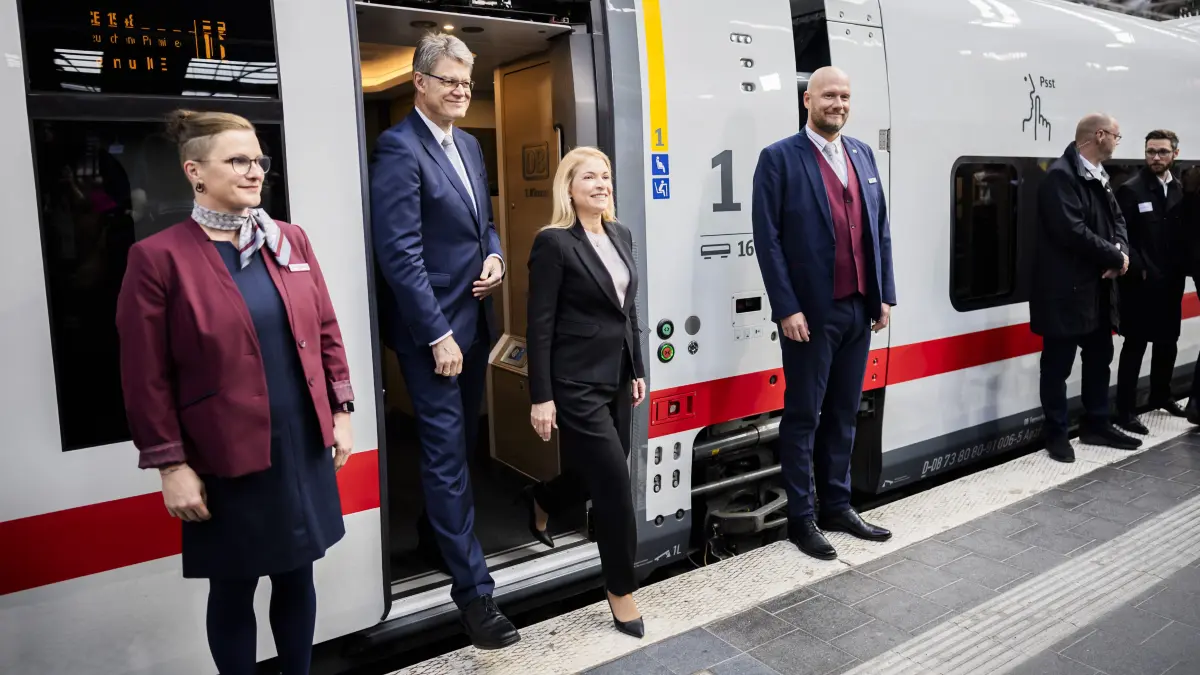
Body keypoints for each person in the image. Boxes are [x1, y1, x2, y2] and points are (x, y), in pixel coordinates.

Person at [115, 110, 356, 675]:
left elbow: (325, 329)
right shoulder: (158, 259)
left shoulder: (288, 240)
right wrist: (170, 465)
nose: (254, 172)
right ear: (194, 171)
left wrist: (341, 411)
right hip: (225, 456)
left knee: (298, 574)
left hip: (299, 443)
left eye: (258, 161)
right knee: (233, 586)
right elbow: (144, 377)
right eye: (238, 161)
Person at [368, 33, 516, 649]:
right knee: (447, 455)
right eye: (449, 80)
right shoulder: (397, 149)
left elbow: (483, 224)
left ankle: (436, 534)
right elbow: (397, 254)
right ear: (419, 83)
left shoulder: (472, 147)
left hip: (473, 323)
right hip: (434, 335)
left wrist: (496, 257)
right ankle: (474, 595)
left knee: (461, 440)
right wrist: (437, 335)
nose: (461, 91)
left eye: (466, 82)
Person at [750, 66, 895, 561]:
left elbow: (879, 230)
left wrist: (885, 295)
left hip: (859, 308)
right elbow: (766, 241)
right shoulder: (778, 158)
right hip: (810, 314)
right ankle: (802, 518)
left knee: (843, 411)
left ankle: (838, 504)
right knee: (803, 416)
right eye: (829, 95)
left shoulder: (862, 154)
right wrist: (786, 307)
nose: (839, 103)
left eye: (846, 96)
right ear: (807, 99)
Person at [524, 147, 647, 638]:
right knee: (616, 484)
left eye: (606, 176)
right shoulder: (553, 243)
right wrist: (541, 396)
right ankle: (621, 589)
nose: (601, 184)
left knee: (594, 471)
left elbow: (628, 310)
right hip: (574, 383)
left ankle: (541, 499)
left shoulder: (621, 234)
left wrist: (635, 367)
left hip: (617, 378)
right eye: (590, 177)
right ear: (568, 187)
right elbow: (540, 325)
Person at [1031, 113, 1141, 463]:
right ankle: (1057, 434)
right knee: (1057, 366)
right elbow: (1071, 230)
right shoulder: (1061, 177)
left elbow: (1117, 220)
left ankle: (1096, 422)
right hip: (1064, 291)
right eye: (1116, 136)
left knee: (1099, 358)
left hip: (1096, 289)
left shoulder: (1099, 175)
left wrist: (1121, 252)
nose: (1117, 142)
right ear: (1099, 135)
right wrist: (1115, 256)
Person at [1114, 130, 1188, 434]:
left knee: (1168, 342)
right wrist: (1140, 269)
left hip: (1171, 283)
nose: (1155, 157)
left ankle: (1162, 394)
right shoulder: (1131, 190)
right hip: (1141, 286)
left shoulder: (1179, 189)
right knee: (1135, 346)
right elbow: (1121, 237)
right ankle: (1125, 411)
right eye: (1150, 152)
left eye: (1161, 152)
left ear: (1175, 154)